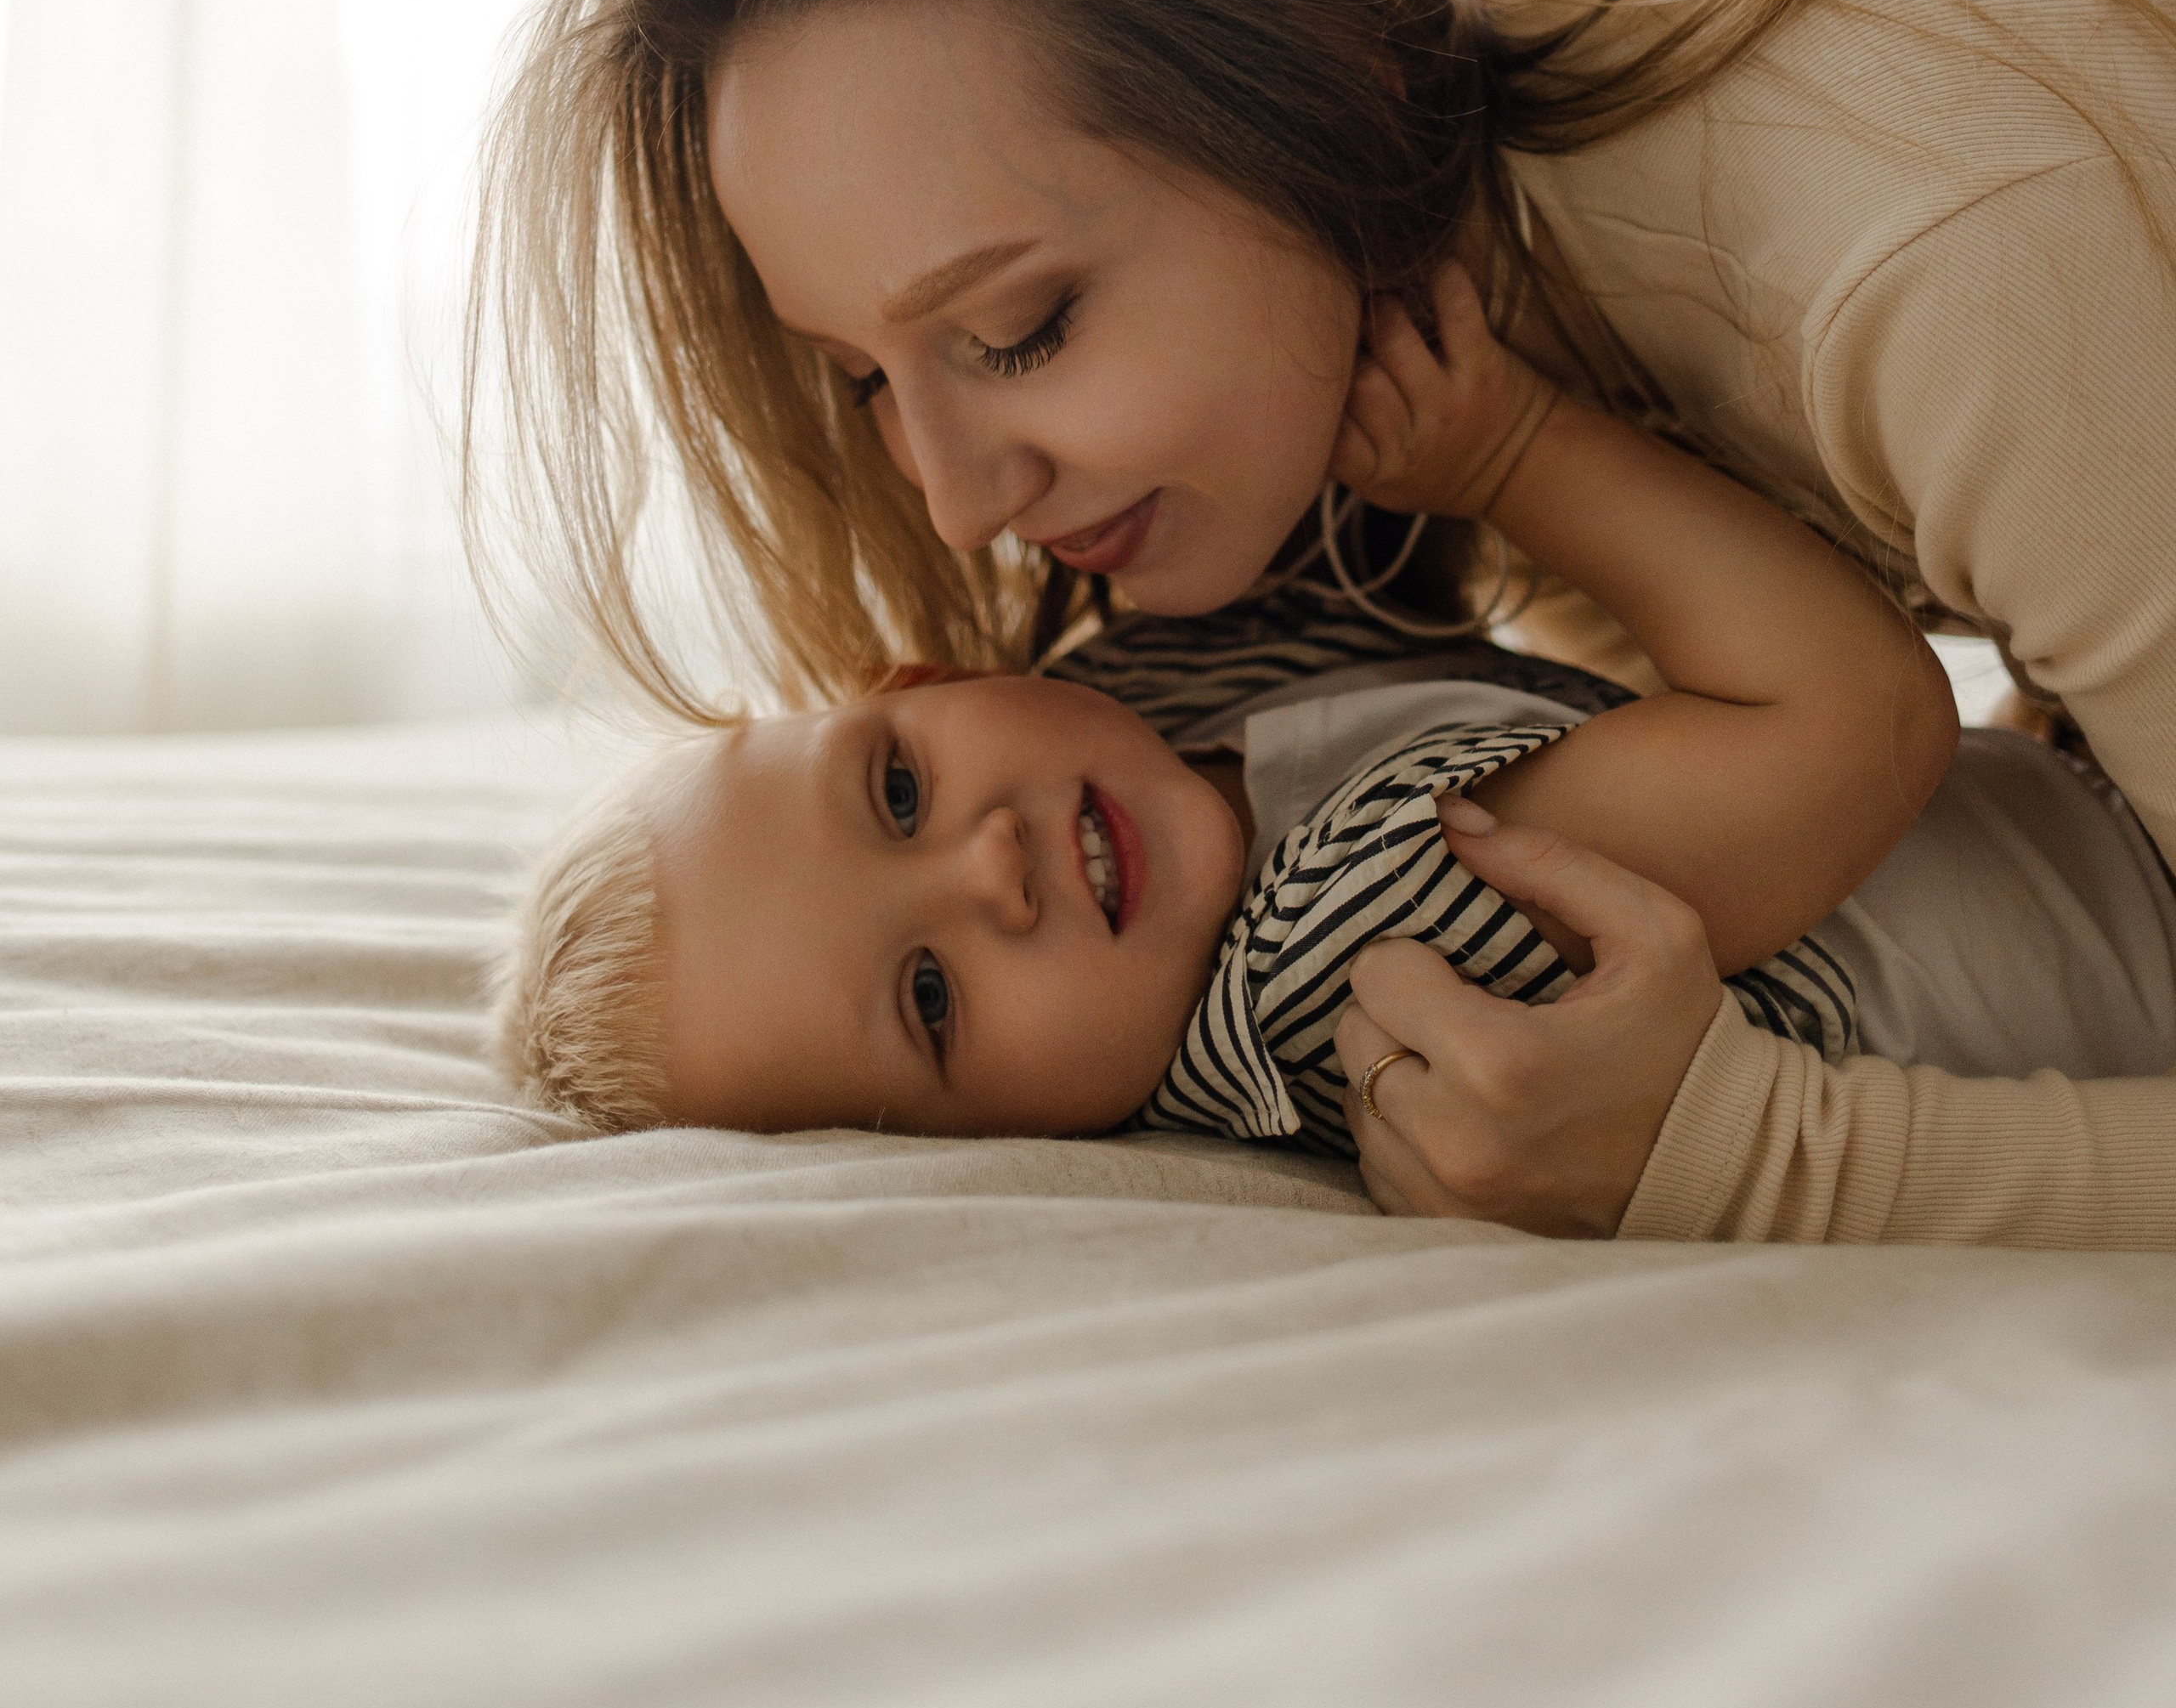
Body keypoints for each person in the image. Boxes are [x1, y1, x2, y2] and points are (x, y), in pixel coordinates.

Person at [468, 0, 2176, 1244]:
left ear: (1338, 89)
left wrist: (1763, 1158)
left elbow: (1850, 729)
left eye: (1014, 333)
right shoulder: (1423, 415)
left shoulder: (1925, 265)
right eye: (862, 378)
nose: (961, 502)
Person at [496, 270, 2176, 1156]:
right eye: (929, 997)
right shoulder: (1344, 947)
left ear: (914, 691)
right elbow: (1856, 721)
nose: (992, 870)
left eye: (894, 793)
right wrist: (1509, 451)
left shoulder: (1144, 712)